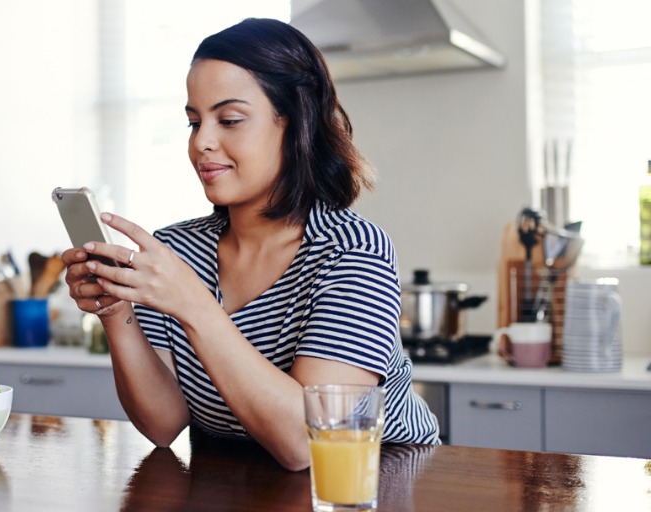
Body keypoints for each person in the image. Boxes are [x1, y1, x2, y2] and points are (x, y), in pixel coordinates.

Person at [61, 17, 439, 472]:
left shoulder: (353, 250)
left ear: (295, 121)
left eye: (230, 120)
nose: (202, 142)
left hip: (376, 483)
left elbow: (312, 445)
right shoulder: (177, 251)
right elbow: (163, 424)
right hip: (248, 485)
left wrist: (193, 305)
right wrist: (114, 308)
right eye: (194, 122)